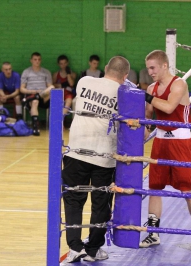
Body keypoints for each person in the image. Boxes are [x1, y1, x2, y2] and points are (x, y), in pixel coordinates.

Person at [60, 56, 130, 264]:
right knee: (101, 203)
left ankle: (74, 247)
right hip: (104, 156)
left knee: (74, 200)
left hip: (77, 152)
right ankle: (92, 249)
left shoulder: (84, 82)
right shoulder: (124, 93)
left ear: (106, 68)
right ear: (125, 76)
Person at [141, 50, 191, 250]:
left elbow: (169, 107)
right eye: (148, 68)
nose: (150, 72)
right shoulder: (152, 88)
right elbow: (148, 114)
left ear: (164, 65)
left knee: (186, 187)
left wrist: (145, 96)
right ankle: (153, 233)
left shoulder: (179, 84)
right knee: (155, 186)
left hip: (180, 141)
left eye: (153, 68)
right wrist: (144, 129)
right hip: (160, 141)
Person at [20, 52, 54, 136]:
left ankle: (38, 96)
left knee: (53, 88)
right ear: (31, 60)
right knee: (35, 101)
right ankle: (35, 127)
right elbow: (22, 89)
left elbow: (50, 87)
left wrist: (41, 93)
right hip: (31, 95)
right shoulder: (26, 72)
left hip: (43, 95)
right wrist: (32, 92)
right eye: (35, 59)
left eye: (39, 59)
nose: (37, 61)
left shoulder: (46, 72)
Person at [52, 55, 76, 128]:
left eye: (65, 63)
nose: (63, 65)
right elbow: (53, 85)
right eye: (61, 63)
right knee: (57, 101)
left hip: (68, 93)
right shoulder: (56, 74)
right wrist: (63, 85)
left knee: (69, 101)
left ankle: (60, 120)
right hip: (59, 93)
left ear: (67, 63)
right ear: (58, 64)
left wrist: (68, 74)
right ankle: (57, 122)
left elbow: (71, 83)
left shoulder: (72, 74)